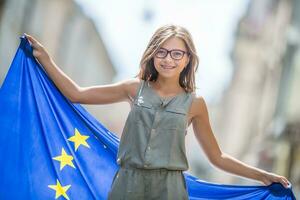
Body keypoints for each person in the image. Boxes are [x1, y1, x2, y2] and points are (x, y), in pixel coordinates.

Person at [24, 24, 291, 200]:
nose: (168, 59)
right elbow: (77, 94)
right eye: (162, 52)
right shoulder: (133, 88)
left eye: (177, 54)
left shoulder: (195, 103)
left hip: (169, 190)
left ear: (188, 59)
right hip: (127, 184)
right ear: (152, 54)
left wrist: (263, 175)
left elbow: (217, 157)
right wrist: (45, 59)